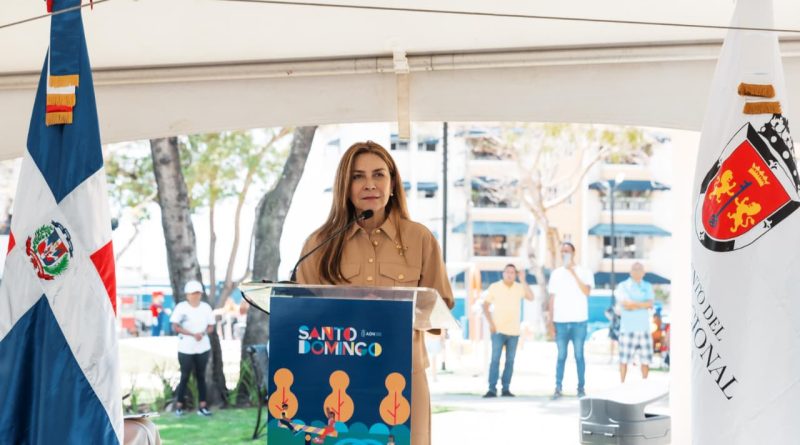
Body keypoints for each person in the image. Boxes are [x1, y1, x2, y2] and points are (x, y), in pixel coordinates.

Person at [296, 141, 454, 445]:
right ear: (345, 185)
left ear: (392, 182)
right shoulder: (319, 243)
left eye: (378, 174)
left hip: (404, 377)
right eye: (357, 176)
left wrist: (393, 311)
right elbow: (303, 316)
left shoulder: (420, 238)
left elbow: (442, 310)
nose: (369, 184)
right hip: (338, 378)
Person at [547, 242, 594, 399]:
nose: (564, 254)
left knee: (579, 356)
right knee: (561, 356)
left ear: (574, 253)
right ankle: (558, 388)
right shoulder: (556, 273)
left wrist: (573, 274)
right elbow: (552, 298)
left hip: (579, 321)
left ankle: (581, 389)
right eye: (562, 252)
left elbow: (586, 292)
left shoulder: (584, 272)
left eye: (567, 251)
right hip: (560, 321)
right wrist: (550, 321)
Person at [481, 264, 534, 398]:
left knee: (510, 361)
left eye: (512, 272)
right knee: (495, 360)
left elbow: (531, 297)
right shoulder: (495, 287)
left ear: (515, 274)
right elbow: (485, 305)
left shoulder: (519, 288)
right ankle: (491, 389)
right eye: (507, 272)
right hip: (498, 330)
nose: (510, 274)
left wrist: (523, 280)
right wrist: (491, 323)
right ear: (503, 273)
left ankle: (506, 389)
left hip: (514, 331)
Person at [170, 280, 215, 417]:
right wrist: (191, 334)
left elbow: (211, 326)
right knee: (184, 376)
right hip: (185, 348)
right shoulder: (181, 307)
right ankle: (179, 406)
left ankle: (202, 406)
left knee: (201, 376)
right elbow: (175, 326)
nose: (195, 296)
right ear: (187, 295)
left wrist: (202, 334)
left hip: (202, 347)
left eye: (197, 293)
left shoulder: (206, 308)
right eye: (192, 294)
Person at [616, 262, 655, 382]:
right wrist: (642, 305)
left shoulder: (648, 286)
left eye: (640, 269)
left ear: (644, 272)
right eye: (635, 269)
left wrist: (633, 305)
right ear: (630, 271)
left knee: (646, 360)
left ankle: (644, 384)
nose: (637, 271)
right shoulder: (623, 285)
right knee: (623, 360)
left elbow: (650, 304)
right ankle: (622, 384)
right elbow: (624, 303)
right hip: (627, 328)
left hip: (644, 329)